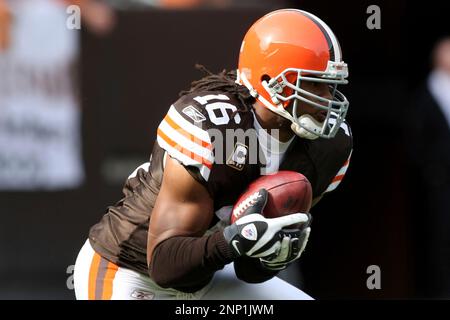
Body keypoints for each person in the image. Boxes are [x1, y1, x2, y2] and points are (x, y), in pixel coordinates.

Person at [73, 9, 353, 300]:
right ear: (270, 80)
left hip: (210, 277)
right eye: (313, 83)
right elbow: (165, 265)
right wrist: (236, 239)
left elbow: (250, 272)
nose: (327, 100)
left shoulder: (328, 147)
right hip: (129, 272)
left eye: (331, 86)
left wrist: (272, 254)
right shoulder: (214, 128)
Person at [408, 37, 450, 298]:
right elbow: (416, 138)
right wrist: (433, 171)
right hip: (440, 185)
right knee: (441, 240)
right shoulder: (427, 93)